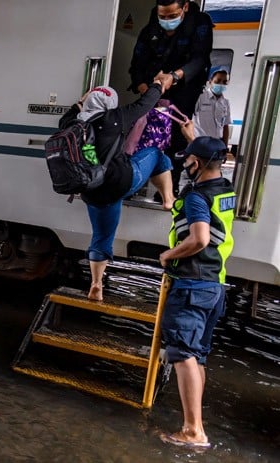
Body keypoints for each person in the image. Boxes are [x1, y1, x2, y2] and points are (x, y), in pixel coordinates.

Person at [59, 81, 176, 302]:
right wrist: (159, 85)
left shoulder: (70, 124)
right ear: (110, 103)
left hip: (92, 189)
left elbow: (71, 112)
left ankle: (96, 284)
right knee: (157, 154)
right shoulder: (114, 118)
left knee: (102, 237)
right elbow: (146, 103)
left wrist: (81, 102)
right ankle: (168, 199)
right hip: (121, 182)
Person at [157, 135, 234, 449]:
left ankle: (193, 432)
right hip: (214, 284)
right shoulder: (224, 190)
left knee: (182, 354)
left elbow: (200, 239)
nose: (184, 163)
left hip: (192, 283)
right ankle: (195, 424)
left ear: (198, 163)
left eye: (187, 159)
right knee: (197, 356)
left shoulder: (196, 197)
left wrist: (168, 255)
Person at [129, 0, 213, 192]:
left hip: (183, 91)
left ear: (184, 7)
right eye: (163, 17)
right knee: (141, 137)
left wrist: (173, 77)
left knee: (176, 140)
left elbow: (200, 59)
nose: (167, 21)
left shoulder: (199, 25)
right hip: (152, 92)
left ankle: (168, 190)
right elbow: (136, 65)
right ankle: (135, 184)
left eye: (172, 16)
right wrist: (144, 88)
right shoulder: (150, 30)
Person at [192, 66, 231, 146]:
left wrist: (225, 147)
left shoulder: (225, 103)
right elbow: (189, 120)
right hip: (199, 143)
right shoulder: (199, 98)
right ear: (210, 82)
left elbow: (225, 126)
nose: (221, 84)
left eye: (224, 82)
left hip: (216, 144)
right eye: (218, 81)